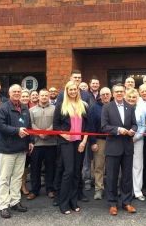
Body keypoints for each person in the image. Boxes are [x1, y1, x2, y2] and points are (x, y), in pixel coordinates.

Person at [0, 84, 33, 219]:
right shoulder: (3, 108)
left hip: (21, 149)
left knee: (17, 177)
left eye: (19, 91)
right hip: (7, 149)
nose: (17, 93)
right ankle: (4, 205)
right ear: (10, 93)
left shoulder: (24, 107)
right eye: (14, 91)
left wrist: (30, 141)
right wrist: (16, 131)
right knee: (5, 178)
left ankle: (15, 201)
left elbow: (29, 126)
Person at [101, 83, 137, 216]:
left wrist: (133, 130)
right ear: (113, 93)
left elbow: (134, 123)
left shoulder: (130, 107)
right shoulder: (107, 107)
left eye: (121, 91)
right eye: (117, 92)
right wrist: (118, 130)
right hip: (113, 147)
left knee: (127, 176)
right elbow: (104, 126)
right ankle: (112, 203)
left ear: (124, 92)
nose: (120, 93)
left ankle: (127, 202)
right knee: (111, 177)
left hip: (127, 146)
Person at [53, 81, 88, 215]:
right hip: (66, 143)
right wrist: (63, 135)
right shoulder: (61, 106)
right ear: (67, 91)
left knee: (76, 173)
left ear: (78, 91)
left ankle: (74, 202)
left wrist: (84, 142)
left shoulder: (83, 105)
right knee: (68, 171)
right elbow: (55, 125)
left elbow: (87, 127)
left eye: (75, 89)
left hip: (79, 143)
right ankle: (63, 202)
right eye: (70, 90)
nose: (73, 91)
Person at [27, 89, 57, 200]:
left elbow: (56, 123)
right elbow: (31, 124)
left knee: (51, 167)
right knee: (35, 168)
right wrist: (39, 133)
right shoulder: (31, 110)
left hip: (51, 143)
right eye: (42, 95)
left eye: (46, 95)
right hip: (37, 144)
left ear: (49, 96)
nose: (44, 97)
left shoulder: (55, 109)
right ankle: (34, 190)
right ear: (38, 97)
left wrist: (47, 133)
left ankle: (50, 189)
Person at [87, 87, 112, 200]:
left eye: (107, 94)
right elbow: (90, 126)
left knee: (113, 166)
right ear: (100, 96)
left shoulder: (114, 106)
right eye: (103, 94)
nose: (105, 96)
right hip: (100, 140)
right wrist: (93, 142)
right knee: (99, 166)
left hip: (114, 140)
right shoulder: (93, 108)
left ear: (111, 95)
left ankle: (113, 188)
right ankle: (98, 189)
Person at [125, 88, 146, 201]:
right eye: (129, 97)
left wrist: (136, 137)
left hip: (137, 140)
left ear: (137, 98)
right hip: (123, 140)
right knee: (126, 166)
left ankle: (137, 191)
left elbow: (143, 126)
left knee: (138, 166)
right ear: (126, 97)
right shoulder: (122, 109)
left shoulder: (141, 110)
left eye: (134, 97)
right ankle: (127, 190)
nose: (132, 99)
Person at [20, 89, 31, 195]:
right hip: (16, 142)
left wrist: (31, 141)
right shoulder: (17, 109)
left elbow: (30, 127)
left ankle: (23, 185)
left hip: (27, 142)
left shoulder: (29, 110)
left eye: (26, 96)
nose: (24, 98)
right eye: (22, 96)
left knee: (25, 166)